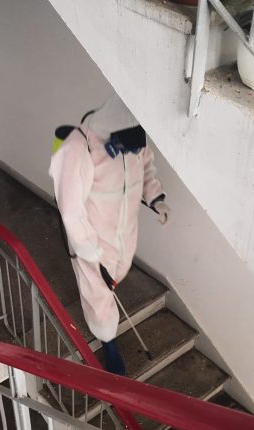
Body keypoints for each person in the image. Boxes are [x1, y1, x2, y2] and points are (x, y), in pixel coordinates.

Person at [49, 95, 170, 374]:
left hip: (125, 231)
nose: (137, 151)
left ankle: (106, 317)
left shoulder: (134, 135)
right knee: (98, 290)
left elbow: (146, 167)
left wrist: (157, 199)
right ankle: (108, 341)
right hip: (91, 235)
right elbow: (70, 207)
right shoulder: (79, 147)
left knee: (114, 278)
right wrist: (87, 247)